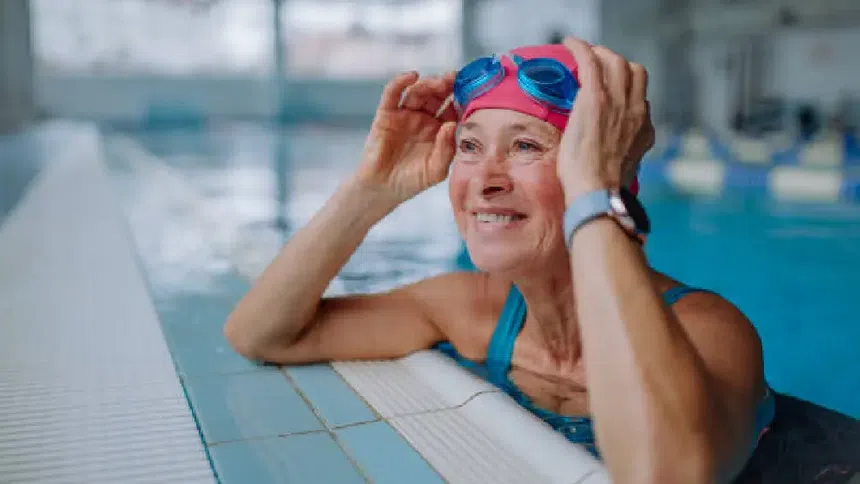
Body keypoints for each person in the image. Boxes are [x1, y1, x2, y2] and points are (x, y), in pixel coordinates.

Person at [224, 39, 775, 483]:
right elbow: (263, 335)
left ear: (603, 173)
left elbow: (667, 474)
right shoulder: (472, 309)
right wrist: (372, 189)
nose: (485, 180)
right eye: (470, 146)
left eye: (526, 146)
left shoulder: (707, 330)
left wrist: (594, 194)